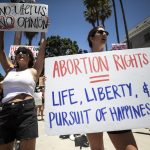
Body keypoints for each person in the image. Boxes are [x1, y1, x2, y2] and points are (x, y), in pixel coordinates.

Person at [86, 26, 138, 150]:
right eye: (100, 32)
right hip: (92, 111)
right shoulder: (80, 62)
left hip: (115, 110)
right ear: (92, 38)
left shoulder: (114, 60)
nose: (104, 34)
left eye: (106, 32)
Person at [0, 31, 46, 150]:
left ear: (30, 57)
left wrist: (43, 31)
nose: (20, 53)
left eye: (24, 51)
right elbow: (0, 50)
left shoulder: (34, 71)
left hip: (27, 111)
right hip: (6, 111)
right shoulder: (9, 70)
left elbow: (42, 49)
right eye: (18, 52)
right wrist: (1, 29)